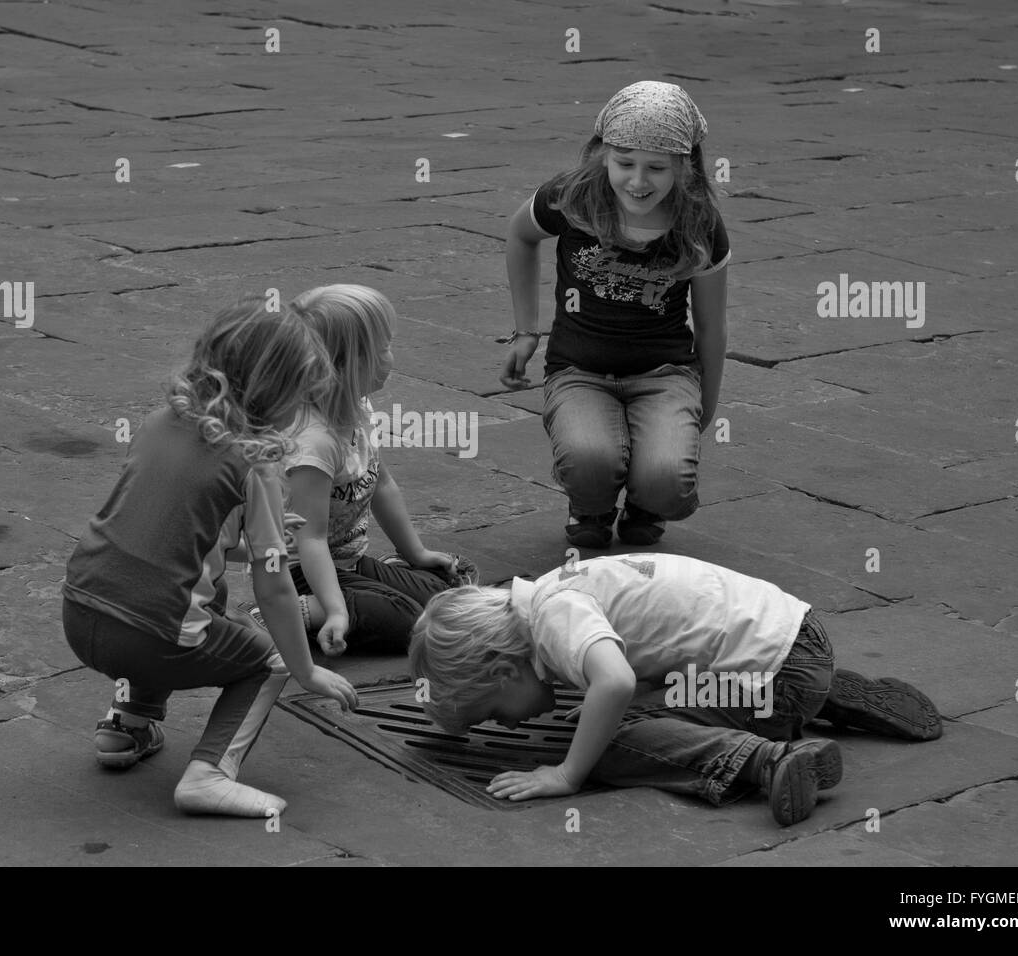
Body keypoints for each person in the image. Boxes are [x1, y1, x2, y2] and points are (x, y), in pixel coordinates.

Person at [61, 298, 358, 819]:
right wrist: (304, 669)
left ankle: (126, 726)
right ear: (275, 393)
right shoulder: (255, 463)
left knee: (190, 592)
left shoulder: (158, 422)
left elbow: (177, 535)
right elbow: (274, 585)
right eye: (301, 397)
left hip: (81, 610)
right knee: (265, 659)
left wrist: (253, 535)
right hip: (150, 635)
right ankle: (210, 775)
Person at [409, 553, 942, 826]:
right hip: (793, 637)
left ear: (505, 671)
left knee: (613, 743)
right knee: (611, 712)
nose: (509, 725)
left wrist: (568, 773)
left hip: (769, 675)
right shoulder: (550, 593)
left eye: (494, 715)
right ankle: (832, 693)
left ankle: (769, 760)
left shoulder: (553, 619)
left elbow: (615, 683)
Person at [501, 81, 729, 549]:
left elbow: (710, 325)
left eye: (657, 168)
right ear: (602, 154)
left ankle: (648, 500)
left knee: (668, 479)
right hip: (579, 370)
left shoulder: (699, 223)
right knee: (589, 460)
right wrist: (527, 330)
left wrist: (707, 402)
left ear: (684, 167)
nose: (638, 182)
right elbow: (519, 235)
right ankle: (591, 505)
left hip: (665, 372)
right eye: (624, 163)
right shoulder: (570, 199)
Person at [247, 284, 477, 655]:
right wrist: (337, 610)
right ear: (345, 363)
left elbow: (382, 484)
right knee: (410, 622)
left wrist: (415, 553)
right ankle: (278, 613)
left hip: (347, 561)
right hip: (296, 573)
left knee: (445, 592)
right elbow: (310, 539)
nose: (391, 356)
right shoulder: (314, 444)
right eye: (383, 347)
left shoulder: (359, 407)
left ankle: (377, 584)